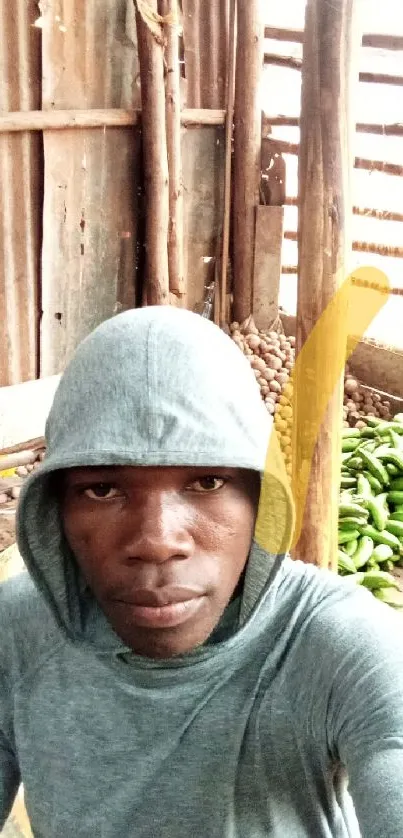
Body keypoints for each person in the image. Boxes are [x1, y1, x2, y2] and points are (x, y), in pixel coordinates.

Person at [0, 306, 402, 838]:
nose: (157, 542)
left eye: (208, 481)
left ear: (262, 502)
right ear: (55, 511)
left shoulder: (335, 646)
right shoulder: (19, 632)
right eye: (103, 489)